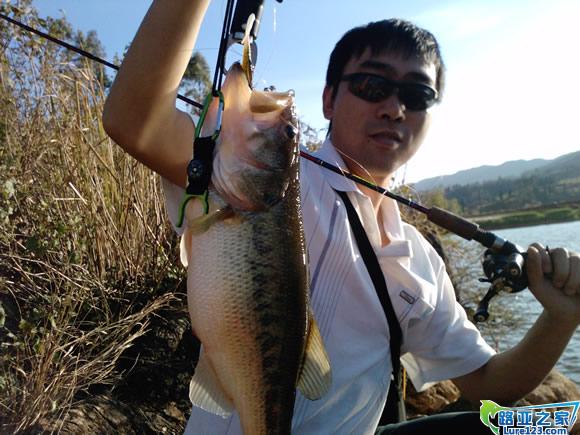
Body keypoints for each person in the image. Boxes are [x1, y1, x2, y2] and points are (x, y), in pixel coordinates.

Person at [102, 1, 580, 433]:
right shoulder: (267, 182)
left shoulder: (421, 262)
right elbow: (135, 119)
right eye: (373, 85)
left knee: (523, 427)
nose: (394, 109)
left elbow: (489, 384)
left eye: (417, 95)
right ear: (329, 99)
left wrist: (562, 318)